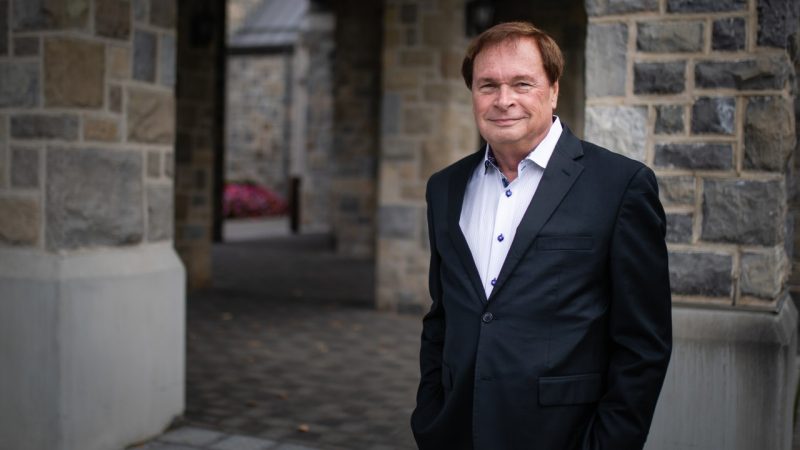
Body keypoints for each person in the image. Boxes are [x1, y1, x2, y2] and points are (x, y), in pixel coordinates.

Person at [410, 21, 672, 450]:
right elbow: (443, 317)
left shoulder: (620, 186)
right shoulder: (445, 188)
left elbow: (643, 345)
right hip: (456, 431)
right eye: (487, 85)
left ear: (553, 90)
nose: (503, 100)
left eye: (522, 83)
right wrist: (430, 413)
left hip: (562, 436)